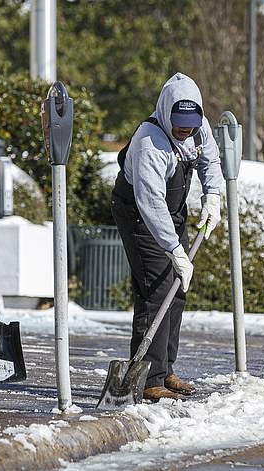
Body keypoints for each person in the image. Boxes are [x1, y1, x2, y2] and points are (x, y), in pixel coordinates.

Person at [111, 72, 223, 401]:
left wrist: (212, 196)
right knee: (157, 288)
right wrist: (174, 249)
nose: (185, 130)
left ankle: (164, 368)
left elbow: (210, 159)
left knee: (177, 289)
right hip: (139, 214)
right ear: (165, 113)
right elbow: (150, 202)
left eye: (190, 123)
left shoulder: (197, 126)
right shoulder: (150, 142)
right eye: (179, 124)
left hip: (171, 213)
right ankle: (147, 378)